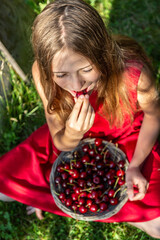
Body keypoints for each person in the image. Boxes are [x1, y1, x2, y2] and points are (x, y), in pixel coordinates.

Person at [0, 0, 160, 237]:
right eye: (62, 75)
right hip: (70, 142)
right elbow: (59, 141)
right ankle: (126, 213)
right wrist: (73, 134)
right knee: (3, 188)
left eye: (86, 70)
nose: (76, 85)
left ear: (103, 53)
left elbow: (154, 116)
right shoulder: (42, 74)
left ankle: (45, 198)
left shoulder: (132, 73)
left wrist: (135, 165)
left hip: (128, 135)